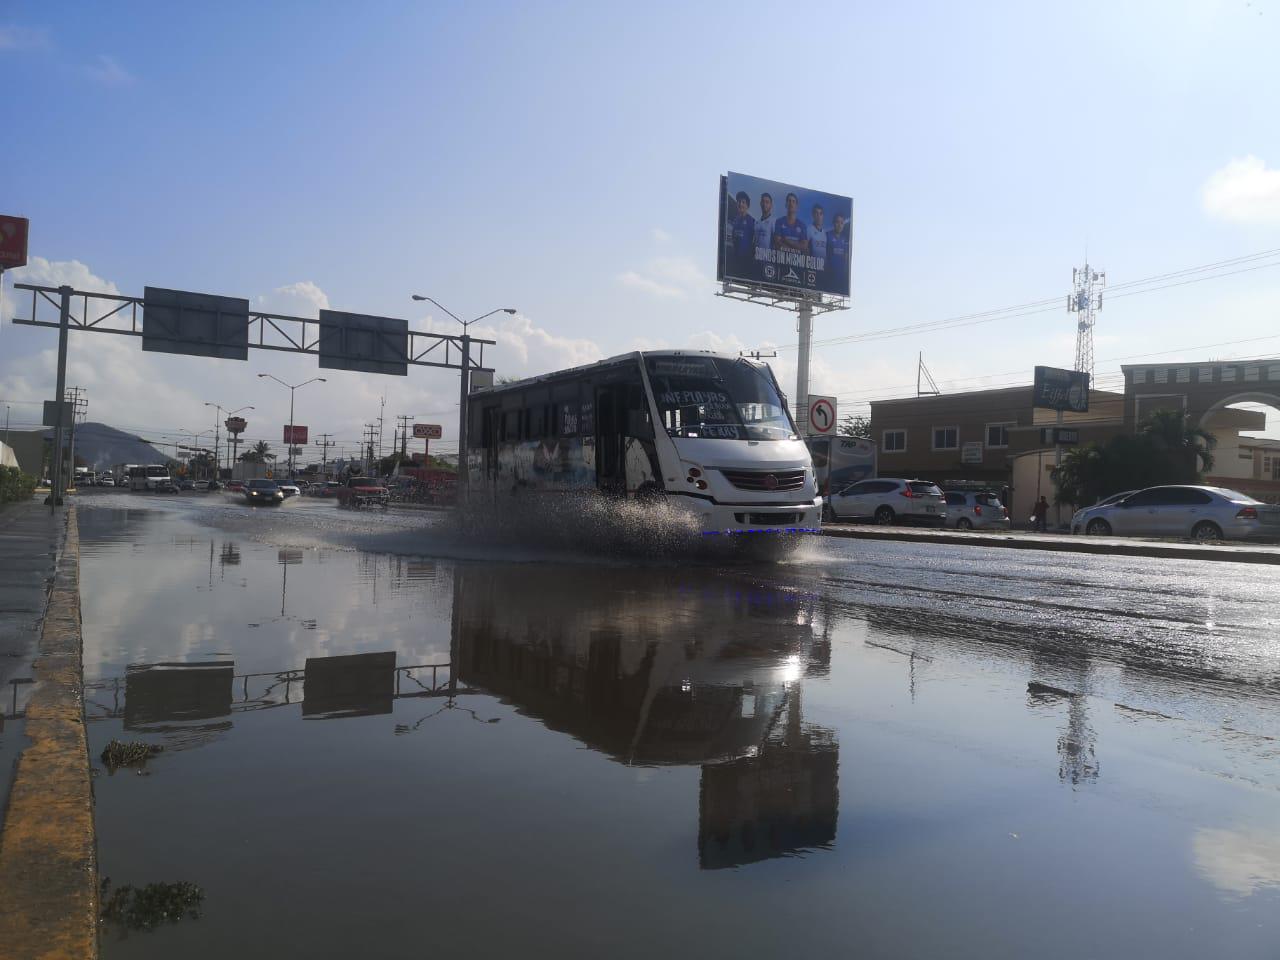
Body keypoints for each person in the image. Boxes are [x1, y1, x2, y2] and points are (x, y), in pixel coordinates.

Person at [727, 190, 755, 279]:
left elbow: (754, 241)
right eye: (739, 202)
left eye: (743, 202)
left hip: (747, 261)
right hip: (735, 259)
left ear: (747, 205)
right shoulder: (735, 220)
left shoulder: (752, 221)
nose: (740, 204)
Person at [752, 192, 775, 283]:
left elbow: (775, 243)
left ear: (771, 205)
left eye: (767, 202)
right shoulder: (756, 222)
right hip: (756, 260)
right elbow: (754, 241)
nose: (765, 204)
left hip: (768, 263)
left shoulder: (773, 222)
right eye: (763, 201)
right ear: (760, 203)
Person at [827, 212, 850, 292]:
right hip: (828, 274)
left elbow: (846, 258)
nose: (839, 225)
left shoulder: (846, 239)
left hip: (841, 277)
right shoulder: (827, 235)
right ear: (833, 223)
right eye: (837, 222)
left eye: (842, 223)